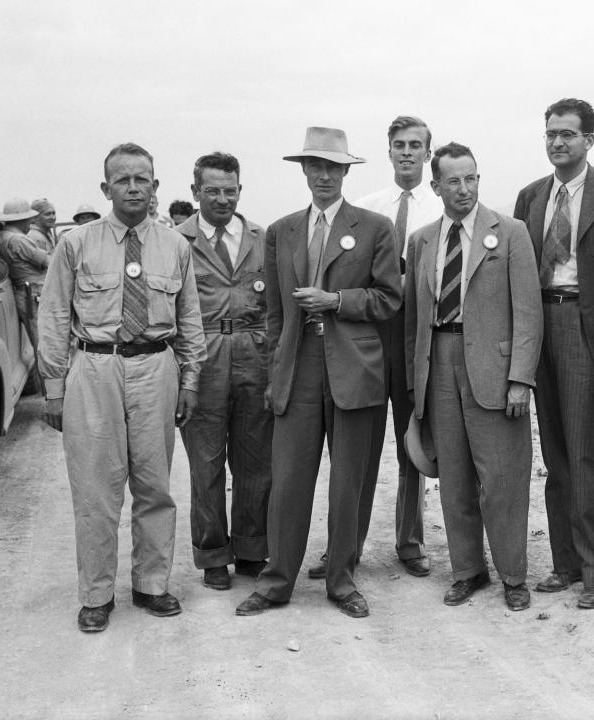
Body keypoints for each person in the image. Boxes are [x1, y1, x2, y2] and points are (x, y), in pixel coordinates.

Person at [38, 142, 207, 634]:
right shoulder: (75, 244)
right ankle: (96, 594)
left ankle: (152, 584)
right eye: (123, 179)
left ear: (156, 188)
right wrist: (53, 386)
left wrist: (190, 380)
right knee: (95, 488)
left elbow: (189, 317)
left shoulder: (175, 245)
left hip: (157, 369)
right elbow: (52, 316)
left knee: (155, 484)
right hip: (95, 369)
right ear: (105, 187)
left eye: (143, 180)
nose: (134, 187)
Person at [235, 127, 401, 619]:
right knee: (287, 482)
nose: (324, 175)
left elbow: (390, 298)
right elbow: (273, 315)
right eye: (316, 166)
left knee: (349, 480)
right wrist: (274, 372)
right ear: (303, 170)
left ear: (346, 172)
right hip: (298, 367)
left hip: (354, 368)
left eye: (333, 167)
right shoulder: (282, 230)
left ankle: (341, 580)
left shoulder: (374, 227)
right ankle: (276, 581)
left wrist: (337, 301)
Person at [513, 98, 594, 610]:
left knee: (588, 455)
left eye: (568, 134)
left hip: (587, 330)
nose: (557, 142)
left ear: (590, 139)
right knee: (556, 457)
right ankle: (565, 564)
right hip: (539, 325)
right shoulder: (529, 197)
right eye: (550, 134)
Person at [405, 142, 543, 612]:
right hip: (439, 362)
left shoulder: (510, 232)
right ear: (436, 185)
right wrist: (415, 381)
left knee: (502, 478)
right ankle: (467, 570)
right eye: (454, 181)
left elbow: (528, 311)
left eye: (472, 179)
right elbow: (414, 319)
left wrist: (521, 378)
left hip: (494, 367)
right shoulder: (422, 240)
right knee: (456, 476)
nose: (464, 189)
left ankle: (513, 575)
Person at [306, 116, 444, 581]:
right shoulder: (364, 209)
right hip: (367, 338)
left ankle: (410, 541)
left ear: (428, 153)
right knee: (355, 449)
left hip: (417, 335)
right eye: (399, 145)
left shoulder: (441, 209)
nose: (407, 153)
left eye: (416, 146)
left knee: (412, 442)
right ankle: (347, 545)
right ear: (388, 152)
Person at [176, 152, 271, 591]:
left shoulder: (261, 238)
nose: (221, 198)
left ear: (240, 190)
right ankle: (213, 554)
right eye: (211, 190)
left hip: (254, 351)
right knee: (206, 462)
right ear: (195, 192)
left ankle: (252, 548)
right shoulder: (178, 240)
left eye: (229, 190)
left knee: (255, 459)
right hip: (204, 354)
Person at [0, 198, 47, 351]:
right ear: (22, 220)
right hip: (33, 293)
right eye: (29, 221)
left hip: (25, 292)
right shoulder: (19, 240)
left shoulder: (1, 237)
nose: (30, 225)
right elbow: (47, 262)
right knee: (45, 342)